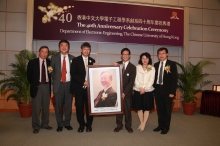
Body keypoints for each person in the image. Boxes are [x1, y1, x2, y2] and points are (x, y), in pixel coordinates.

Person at [70, 42, 95, 133]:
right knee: (79, 107)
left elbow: (94, 75)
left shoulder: (92, 60)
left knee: (89, 108)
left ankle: (89, 124)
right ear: (81, 50)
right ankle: (81, 124)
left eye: (88, 49)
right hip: (79, 88)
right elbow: (73, 73)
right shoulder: (75, 60)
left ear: (90, 51)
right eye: (84, 49)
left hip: (89, 89)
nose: (86, 51)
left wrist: (96, 68)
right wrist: (83, 82)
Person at [27, 46, 53, 134]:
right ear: (39, 52)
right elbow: (29, 76)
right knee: (36, 108)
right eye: (42, 51)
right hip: (37, 87)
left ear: (48, 53)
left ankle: (45, 124)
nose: (44, 53)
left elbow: (51, 73)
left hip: (46, 86)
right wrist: (35, 84)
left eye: (46, 52)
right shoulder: (32, 62)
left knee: (46, 107)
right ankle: (36, 126)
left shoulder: (50, 63)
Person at [50, 40, 75, 132]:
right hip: (59, 85)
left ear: (68, 47)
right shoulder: (54, 58)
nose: (64, 47)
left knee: (68, 106)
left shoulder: (73, 58)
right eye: (62, 45)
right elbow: (50, 70)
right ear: (59, 47)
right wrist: (56, 79)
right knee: (59, 106)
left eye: (66, 45)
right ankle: (60, 124)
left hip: (69, 84)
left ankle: (67, 123)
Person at [153, 47, 177, 135]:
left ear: (167, 54)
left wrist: (172, 92)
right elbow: (153, 78)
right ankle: (160, 125)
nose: (161, 55)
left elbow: (174, 79)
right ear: (158, 55)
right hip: (157, 89)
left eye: (163, 53)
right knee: (160, 109)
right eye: (159, 53)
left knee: (167, 110)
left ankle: (166, 127)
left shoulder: (172, 64)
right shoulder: (155, 65)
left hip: (167, 91)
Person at [113, 48, 136, 133]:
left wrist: (124, 92)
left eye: (127, 54)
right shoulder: (117, 64)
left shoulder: (133, 67)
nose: (125, 56)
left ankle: (128, 125)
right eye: (123, 54)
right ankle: (119, 125)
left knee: (127, 109)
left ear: (129, 56)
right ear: (121, 55)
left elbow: (131, 82)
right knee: (118, 109)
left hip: (127, 93)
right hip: (117, 92)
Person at [132, 52, 155, 132]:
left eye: (147, 58)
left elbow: (151, 80)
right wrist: (140, 87)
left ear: (149, 59)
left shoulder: (151, 68)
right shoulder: (136, 67)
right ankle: (141, 122)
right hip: (138, 90)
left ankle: (144, 123)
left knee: (147, 108)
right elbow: (135, 79)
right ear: (140, 59)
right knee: (139, 108)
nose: (145, 60)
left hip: (148, 91)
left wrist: (144, 88)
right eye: (143, 58)